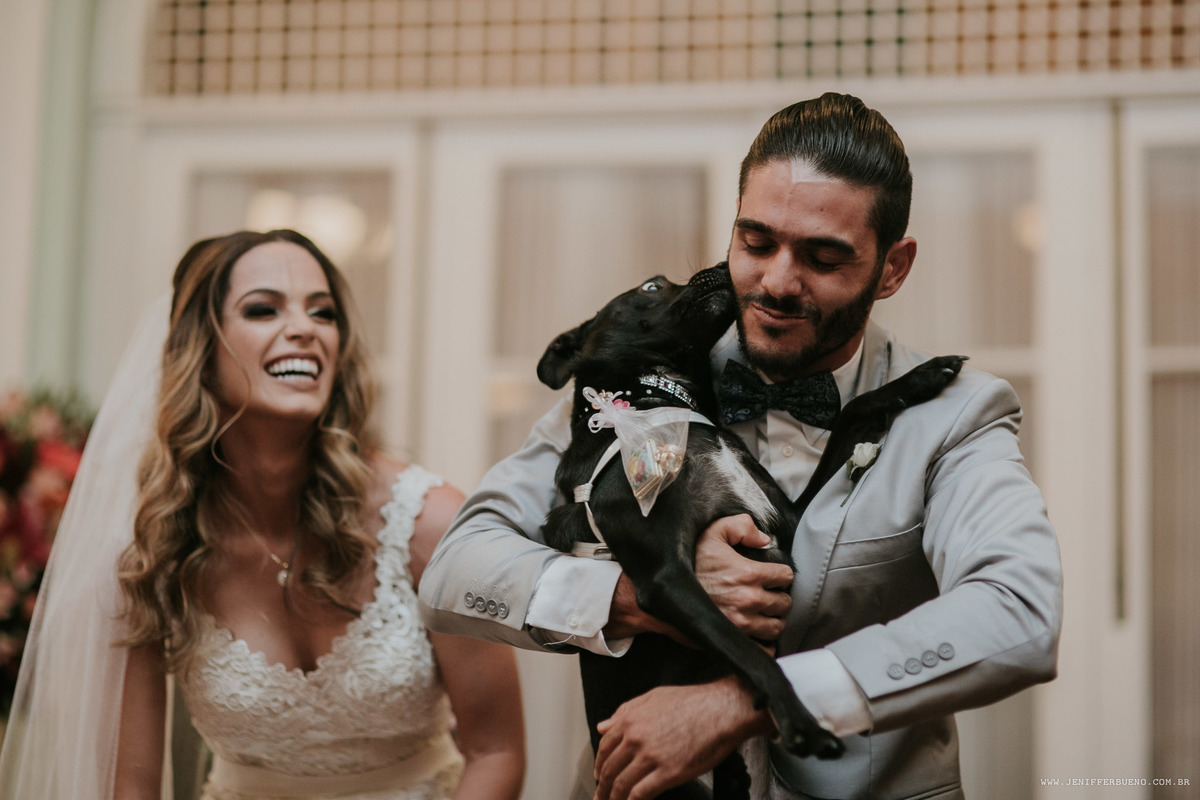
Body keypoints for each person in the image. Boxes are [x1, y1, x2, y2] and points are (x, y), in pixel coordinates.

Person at [418, 93, 1062, 800]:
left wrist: (751, 700)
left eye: (823, 257)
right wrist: (634, 597)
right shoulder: (641, 374)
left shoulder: (957, 413)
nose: (776, 282)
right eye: (756, 243)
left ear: (892, 267)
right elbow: (455, 569)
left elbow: (1020, 612)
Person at [0, 229, 525, 800]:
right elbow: (131, 786)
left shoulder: (432, 524)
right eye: (262, 309)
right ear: (201, 351)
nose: (304, 329)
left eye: (323, 313)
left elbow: (496, 752)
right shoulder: (151, 549)